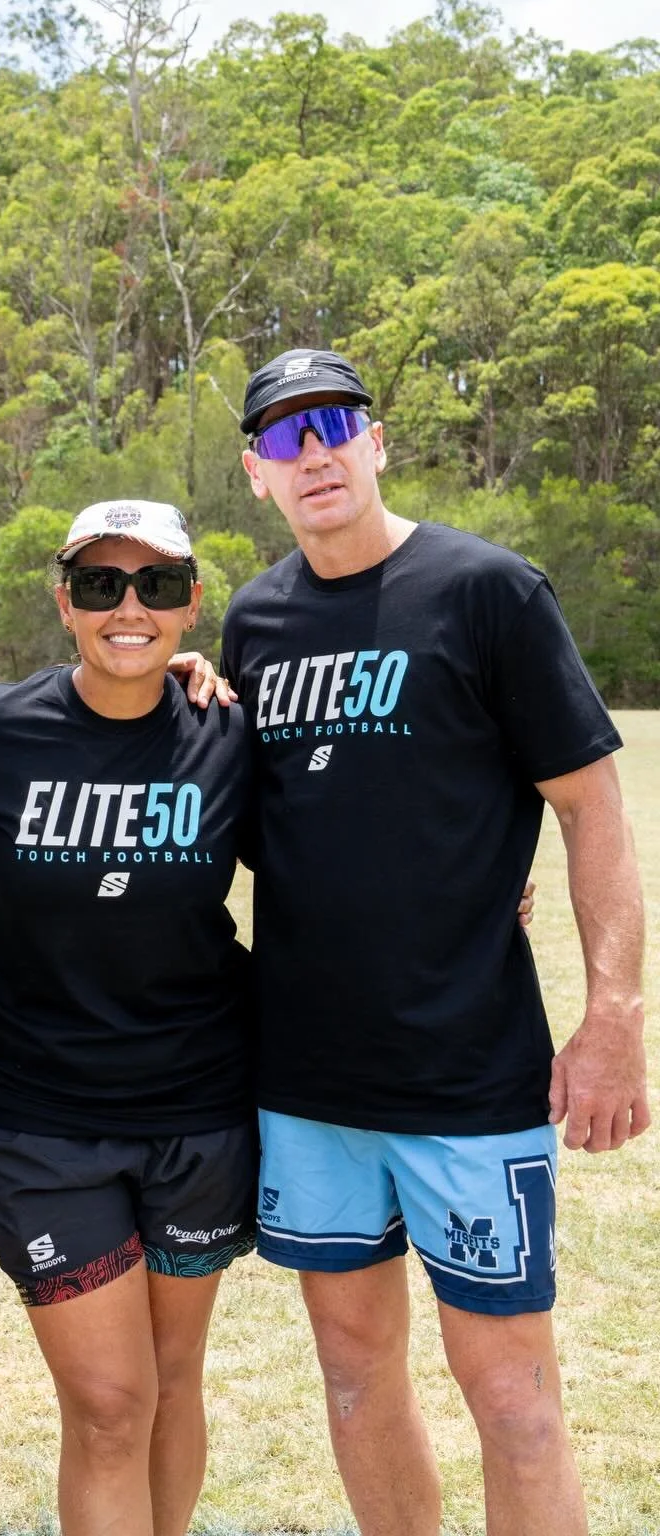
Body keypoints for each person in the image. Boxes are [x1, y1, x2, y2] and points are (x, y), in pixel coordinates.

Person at [221, 347, 650, 1536]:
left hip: (471, 1073)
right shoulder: (254, 619)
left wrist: (614, 1016)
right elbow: (278, 823)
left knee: (512, 1398)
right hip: (309, 1082)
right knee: (356, 1381)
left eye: (333, 425)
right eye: (282, 438)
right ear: (256, 474)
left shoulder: (487, 590)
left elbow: (590, 807)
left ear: (377, 440)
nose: (313, 455)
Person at [0, 500, 256, 1536]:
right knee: (111, 1405)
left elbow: (345, 852)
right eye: (103, 585)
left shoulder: (230, 733)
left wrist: (491, 881)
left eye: (156, 587)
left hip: (202, 1115)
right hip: (42, 1130)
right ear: (64, 601)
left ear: (190, 604)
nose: (130, 607)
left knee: (171, 1380)